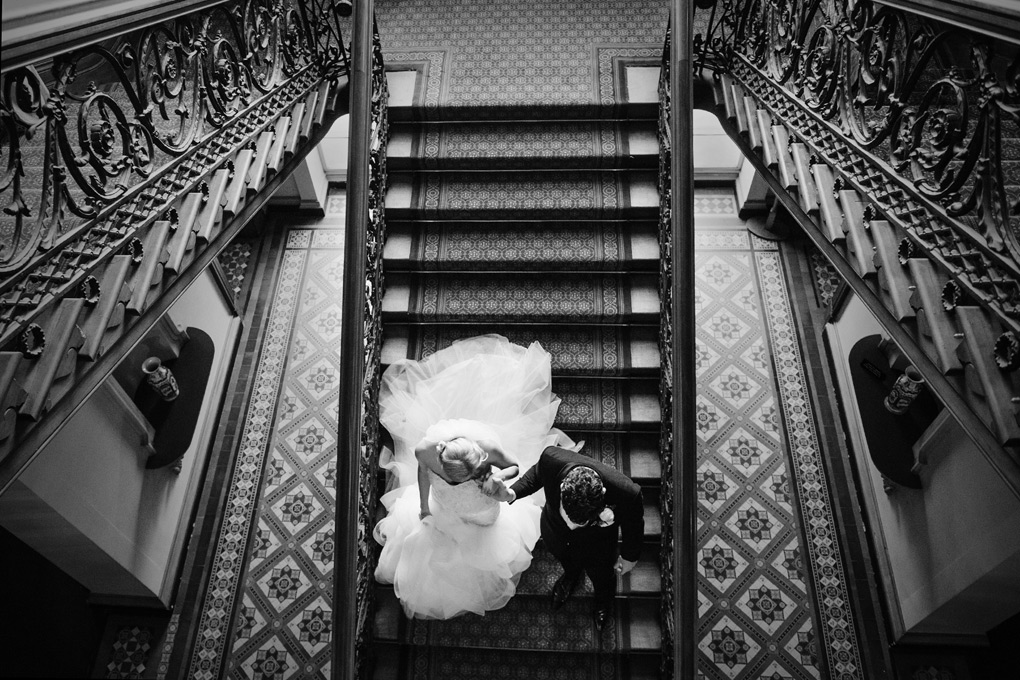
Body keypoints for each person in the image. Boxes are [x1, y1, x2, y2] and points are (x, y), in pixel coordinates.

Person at [373, 334, 575, 620]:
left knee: (482, 542)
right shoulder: (428, 452)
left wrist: (500, 479)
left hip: (483, 508)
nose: (472, 477)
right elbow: (423, 473)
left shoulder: (487, 447)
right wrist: (423, 505)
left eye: (475, 471)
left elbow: (514, 466)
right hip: (443, 502)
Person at [484, 445, 644, 631]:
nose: (573, 526)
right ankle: (571, 577)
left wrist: (629, 557)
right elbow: (536, 475)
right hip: (555, 533)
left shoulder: (627, 493)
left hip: (599, 546)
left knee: (602, 577)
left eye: (581, 522)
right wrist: (513, 493)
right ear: (562, 487)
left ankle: (602, 601)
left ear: (602, 495)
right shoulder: (551, 459)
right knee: (567, 562)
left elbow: (634, 526)